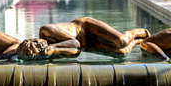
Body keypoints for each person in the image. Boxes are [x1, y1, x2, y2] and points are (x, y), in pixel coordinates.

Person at [16, 17, 151, 61]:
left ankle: (141, 32)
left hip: (86, 27)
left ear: (33, 39)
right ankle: (140, 41)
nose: (42, 45)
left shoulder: (46, 30)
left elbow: (75, 43)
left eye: (37, 43)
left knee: (121, 41)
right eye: (40, 49)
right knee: (122, 53)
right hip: (86, 44)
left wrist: (52, 48)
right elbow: (77, 51)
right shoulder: (48, 54)